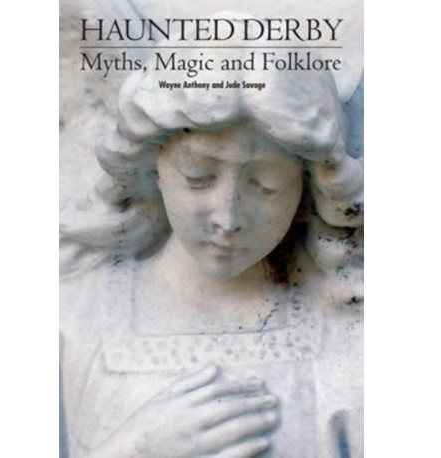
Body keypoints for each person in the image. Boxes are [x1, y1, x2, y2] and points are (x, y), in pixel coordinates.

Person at [60, 18, 364, 458]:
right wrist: (135, 449)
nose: (228, 217)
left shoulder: (346, 340)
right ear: (152, 167)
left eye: (266, 186)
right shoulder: (74, 320)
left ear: (309, 187)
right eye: (198, 177)